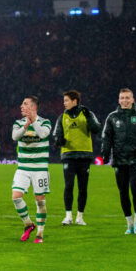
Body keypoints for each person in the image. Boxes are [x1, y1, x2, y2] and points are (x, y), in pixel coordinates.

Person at [101, 88, 136, 235]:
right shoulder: (112, 117)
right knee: (123, 192)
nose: (125, 100)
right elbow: (107, 137)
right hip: (119, 160)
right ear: (119, 100)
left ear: (133, 99)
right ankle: (129, 223)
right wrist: (105, 153)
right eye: (122, 98)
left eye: (127, 98)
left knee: (135, 188)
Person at [52, 90, 101, 226]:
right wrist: (59, 140)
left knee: (82, 187)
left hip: (84, 155)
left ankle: (80, 217)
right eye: (64, 101)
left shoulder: (87, 114)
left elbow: (96, 129)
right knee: (68, 186)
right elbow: (56, 136)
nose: (64, 103)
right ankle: (68, 216)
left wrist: (89, 117)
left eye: (66, 100)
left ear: (75, 101)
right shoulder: (62, 117)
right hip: (68, 155)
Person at [10, 96, 51, 244]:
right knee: (16, 196)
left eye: (25, 104)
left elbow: (43, 134)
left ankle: (40, 233)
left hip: (40, 168)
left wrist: (33, 121)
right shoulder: (18, 123)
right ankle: (28, 224)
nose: (21, 106)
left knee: (40, 201)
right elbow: (15, 137)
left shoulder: (45, 122)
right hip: (23, 168)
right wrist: (26, 126)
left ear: (33, 107)